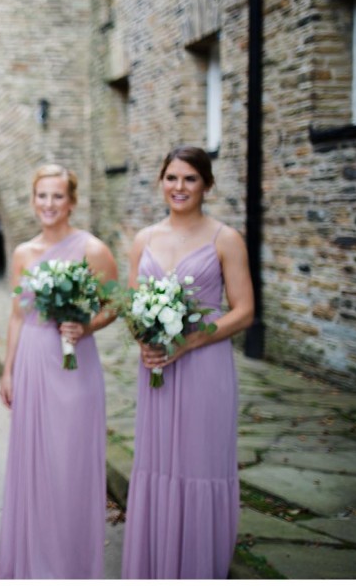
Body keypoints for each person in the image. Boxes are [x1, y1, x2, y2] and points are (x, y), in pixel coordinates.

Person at [121, 146, 253, 579]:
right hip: (157, 365)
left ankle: (198, 567)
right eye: (172, 178)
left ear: (207, 185)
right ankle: (156, 564)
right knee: (158, 462)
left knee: (201, 461)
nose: (180, 187)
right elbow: (134, 304)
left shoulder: (225, 238)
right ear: (161, 182)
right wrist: (143, 340)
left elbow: (243, 310)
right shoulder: (144, 239)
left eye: (190, 179)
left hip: (204, 366)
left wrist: (191, 341)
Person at [0, 164, 119, 579]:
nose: (48, 204)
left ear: (71, 201)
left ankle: (71, 566)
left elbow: (113, 304)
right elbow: (16, 315)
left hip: (74, 366)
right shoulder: (23, 253)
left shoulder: (92, 249)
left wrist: (87, 325)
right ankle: (34, 565)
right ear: (34, 201)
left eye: (57, 196)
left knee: (69, 466)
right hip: (32, 361)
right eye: (41, 196)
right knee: (36, 466)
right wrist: (9, 370)